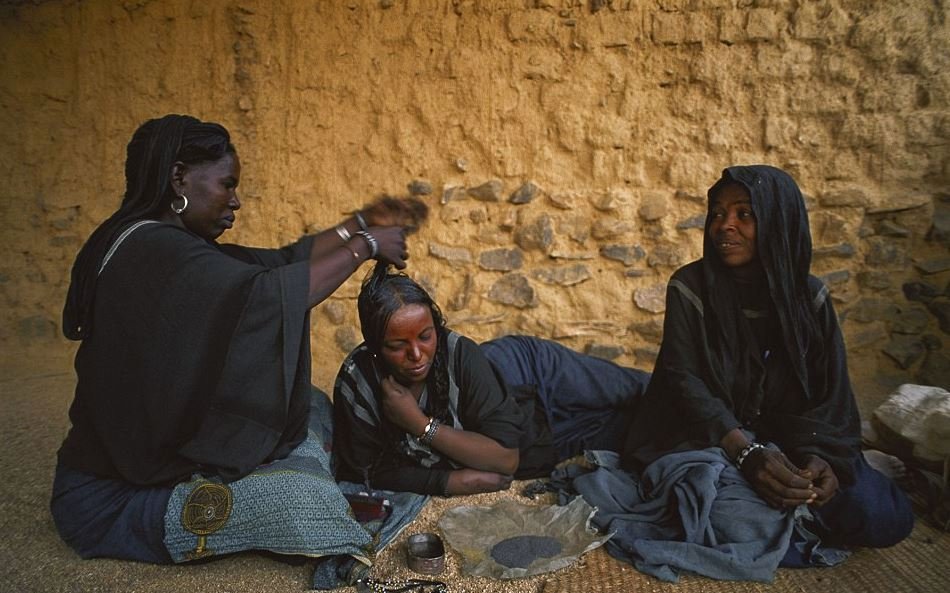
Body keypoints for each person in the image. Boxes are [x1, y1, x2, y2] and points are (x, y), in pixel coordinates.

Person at [51, 114, 427, 566]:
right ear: (178, 178)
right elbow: (271, 295)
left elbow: (282, 262)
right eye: (227, 185)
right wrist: (365, 244)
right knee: (298, 500)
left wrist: (359, 223)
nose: (237, 201)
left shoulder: (161, 241)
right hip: (110, 500)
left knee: (310, 406)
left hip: (156, 453)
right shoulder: (151, 251)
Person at [570, 165, 914, 582]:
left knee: (882, 517)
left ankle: (803, 506)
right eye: (717, 213)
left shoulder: (810, 298)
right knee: (717, 511)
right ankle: (790, 519)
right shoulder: (691, 288)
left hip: (793, 440)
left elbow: (832, 396)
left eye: (743, 215)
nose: (724, 226)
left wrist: (820, 459)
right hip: (706, 440)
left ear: (778, 220)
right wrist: (749, 454)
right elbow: (685, 383)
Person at [332, 266, 651, 496]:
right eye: (397, 345)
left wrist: (419, 424)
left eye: (426, 336)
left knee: (642, 389)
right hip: (535, 435)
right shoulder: (358, 385)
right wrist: (446, 483)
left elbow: (503, 459)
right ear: (374, 346)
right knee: (633, 430)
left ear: (437, 328)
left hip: (529, 372)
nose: (416, 353)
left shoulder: (460, 354)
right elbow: (367, 470)